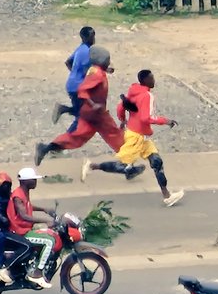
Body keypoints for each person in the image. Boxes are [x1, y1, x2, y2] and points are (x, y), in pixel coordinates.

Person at [82, 70, 185, 207]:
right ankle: (92, 166)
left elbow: (120, 107)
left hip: (138, 136)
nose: (154, 80)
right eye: (151, 78)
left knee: (157, 162)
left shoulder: (133, 92)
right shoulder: (147, 96)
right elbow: (146, 118)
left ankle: (167, 195)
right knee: (124, 166)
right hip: (136, 137)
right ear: (146, 80)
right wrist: (166, 121)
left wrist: (123, 120)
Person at [35, 46, 124, 166]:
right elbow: (82, 90)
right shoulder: (97, 74)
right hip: (97, 114)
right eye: (107, 60)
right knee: (114, 133)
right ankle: (128, 161)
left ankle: (45, 148)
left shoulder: (95, 70)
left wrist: (107, 69)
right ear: (101, 61)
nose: (109, 62)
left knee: (76, 137)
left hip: (87, 113)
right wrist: (94, 104)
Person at [8, 167, 56, 288]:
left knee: (48, 233)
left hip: (26, 229)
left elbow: (28, 206)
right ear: (25, 181)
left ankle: (34, 263)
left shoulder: (23, 192)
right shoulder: (18, 195)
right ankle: (37, 273)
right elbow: (24, 215)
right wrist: (46, 220)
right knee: (49, 241)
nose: (35, 182)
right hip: (20, 232)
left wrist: (44, 209)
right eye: (33, 180)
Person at [52, 26, 96, 125]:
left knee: (81, 112)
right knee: (82, 114)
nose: (93, 39)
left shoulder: (80, 48)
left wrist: (74, 73)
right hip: (78, 87)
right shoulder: (87, 51)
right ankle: (63, 110)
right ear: (84, 38)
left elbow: (68, 62)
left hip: (72, 83)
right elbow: (87, 71)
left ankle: (64, 111)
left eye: (93, 36)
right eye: (91, 37)